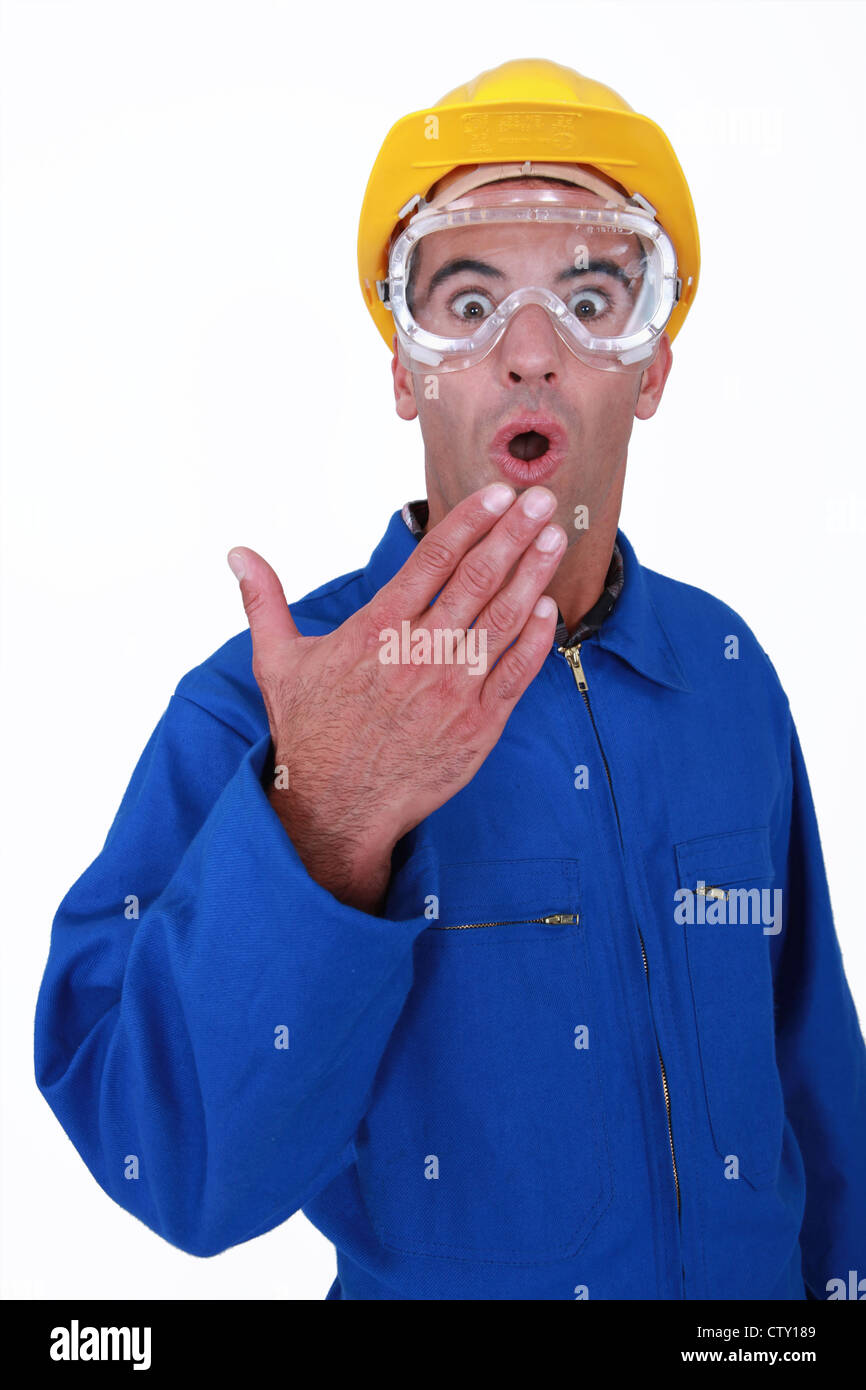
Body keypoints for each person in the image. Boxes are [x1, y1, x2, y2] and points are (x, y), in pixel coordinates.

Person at [34, 57, 866, 1301]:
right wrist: (321, 818)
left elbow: (815, 1089)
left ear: (651, 369)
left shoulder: (726, 680)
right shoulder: (267, 706)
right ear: (402, 370)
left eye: (593, 297)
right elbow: (178, 1172)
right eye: (466, 304)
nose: (528, 352)